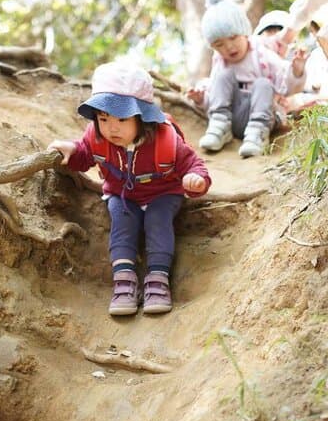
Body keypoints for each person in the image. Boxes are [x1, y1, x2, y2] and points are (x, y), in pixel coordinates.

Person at [48, 62, 211, 316]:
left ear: (142, 117)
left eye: (122, 118)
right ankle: (124, 281)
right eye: (104, 118)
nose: (112, 128)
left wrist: (195, 179)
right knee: (122, 224)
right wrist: (71, 151)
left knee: (158, 220)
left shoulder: (164, 139)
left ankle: (158, 279)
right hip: (122, 195)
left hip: (163, 193)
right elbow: (84, 154)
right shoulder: (97, 136)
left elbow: (193, 163)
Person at [188, 0, 306, 157]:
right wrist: (201, 99)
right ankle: (220, 128)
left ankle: (257, 136)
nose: (229, 47)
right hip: (233, 118)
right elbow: (216, 96)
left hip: (263, 116)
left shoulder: (261, 54)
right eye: (219, 44)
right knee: (222, 77)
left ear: (244, 33)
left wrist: (297, 70)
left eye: (233, 37)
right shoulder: (220, 63)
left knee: (263, 83)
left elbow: (284, 83)